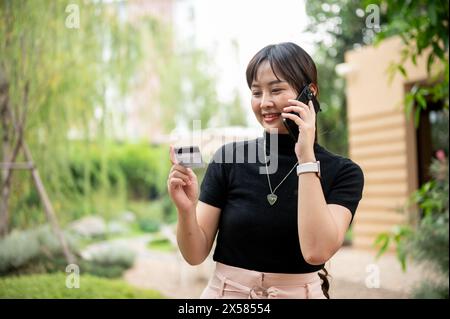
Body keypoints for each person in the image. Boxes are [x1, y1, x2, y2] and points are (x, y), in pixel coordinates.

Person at [167, 42, 364, 299]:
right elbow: (194, 255)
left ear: (310, 92)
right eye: (256, 92)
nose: (265, 103)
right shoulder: (229, 159)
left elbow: (316, 251)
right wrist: (186, 209)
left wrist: (305, 158)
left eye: (276, 89)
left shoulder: (344, 173)